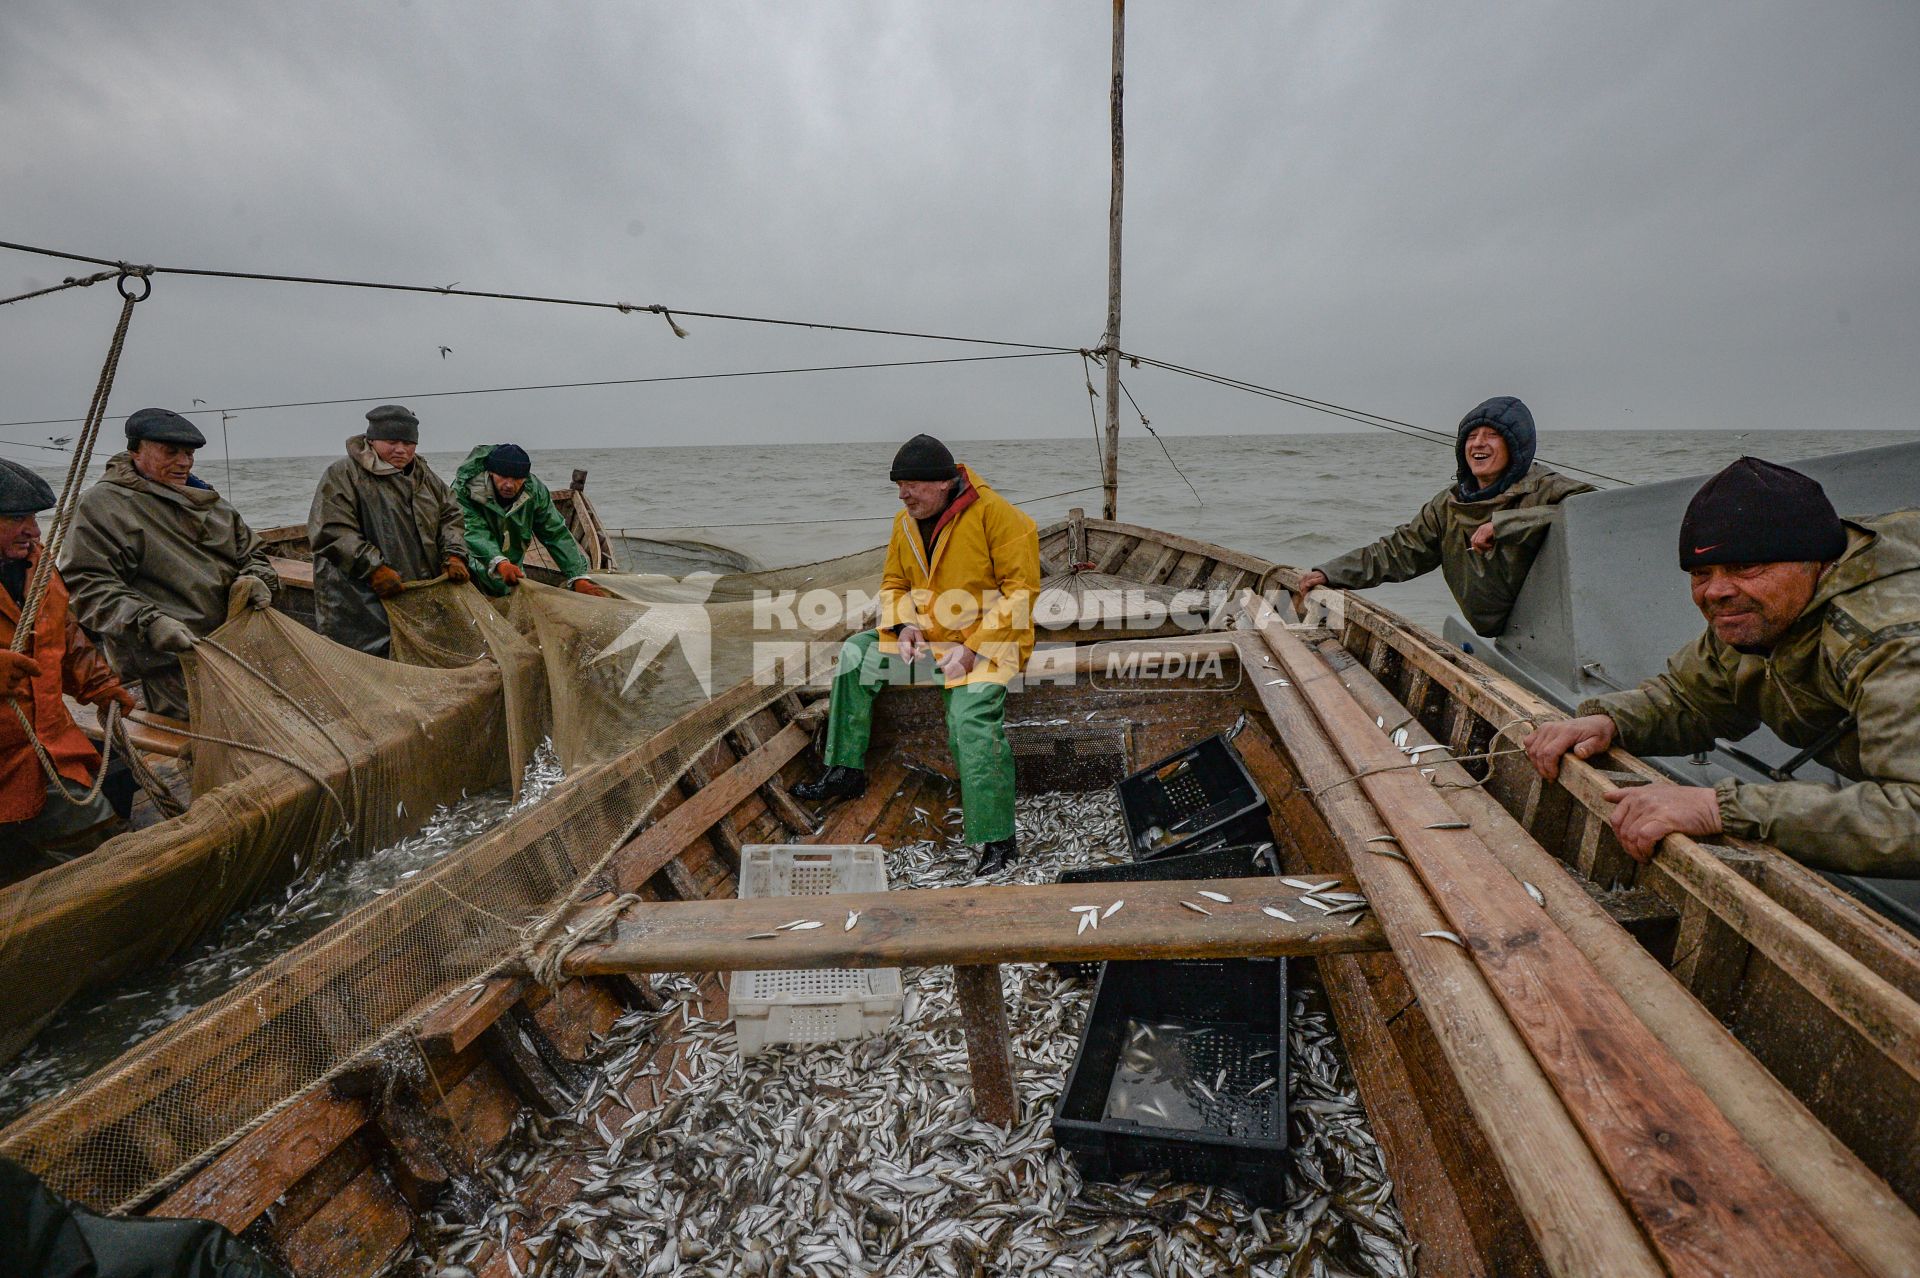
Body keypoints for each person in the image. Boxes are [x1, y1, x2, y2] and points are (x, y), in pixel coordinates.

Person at [1523, 457, 1920, 877]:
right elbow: (1691, 696)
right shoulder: (1765, 615)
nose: (1716, 592)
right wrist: (1609, 720)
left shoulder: (1891, 642)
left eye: (1745, 566)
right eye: (1700, 573)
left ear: (1815, 560)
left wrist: (1721, 809)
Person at [793, 434, 1040, 876]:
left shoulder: (1002, 518)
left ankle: (997, 838)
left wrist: (970, 648)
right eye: (899, 486)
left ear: (945, 483)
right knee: (855, 654)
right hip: (927, 637)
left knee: (969, 721)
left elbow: (1020, 595)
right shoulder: (903, 523)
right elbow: (894, 585)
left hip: (990, 642)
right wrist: (903, 625)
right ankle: (846, 770)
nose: (904, 495)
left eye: (913, 485)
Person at [1295, 397, 1594, 636]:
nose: (1478, 443)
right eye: (1471, 436)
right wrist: (1331, 573)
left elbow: (1601, 514)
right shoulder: (1448, 505)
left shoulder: (1547, 488)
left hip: (1556, 628)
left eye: (1492, 435)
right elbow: (1398, 552)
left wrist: (1504, 525)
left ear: (1516, 448)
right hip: (1503, 632)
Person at [59, 407, 277, 721]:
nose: (183, 462)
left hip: (235, 652)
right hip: (166, 668)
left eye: (188, 453)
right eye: (170, 452)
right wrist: (149, 623)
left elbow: (253, 554)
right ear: (135, 451)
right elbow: (87, 585)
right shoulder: (103, 506)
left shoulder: (211, 503)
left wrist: (258, 578)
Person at [1, 459, 135, 864]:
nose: (34, 531)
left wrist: (100, 685)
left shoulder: (37, 566)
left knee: (102, 846)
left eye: (35, 517)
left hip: (45, 744)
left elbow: (67, 636)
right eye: (16, 518)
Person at [307, 404, 471, 655]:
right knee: (368, 665)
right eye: (391, 442)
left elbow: (450, 514)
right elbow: (332, 530)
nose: (401, 450)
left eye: (408, 443)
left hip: (415, 592)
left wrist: (454, 553)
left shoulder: (424, 475)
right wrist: (374, 569)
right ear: (372, 440)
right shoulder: (343, 474)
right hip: (360, 599)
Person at [453, 443, 610, 598]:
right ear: (491, 473)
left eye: (517, 478)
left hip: (512, 567)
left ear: (525, 477)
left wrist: (578, 576)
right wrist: (499, 562)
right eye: (503, 476)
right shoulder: (464, 490)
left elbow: (555, 533)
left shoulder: (535, 491)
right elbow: (473, 530)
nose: (509, 484)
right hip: (469, 565)